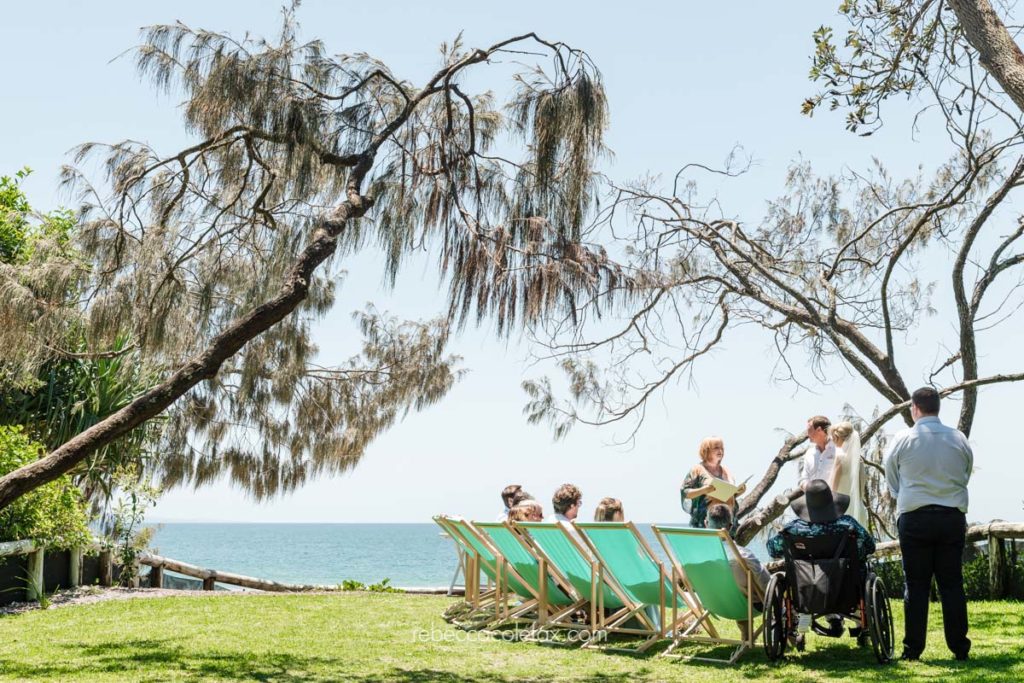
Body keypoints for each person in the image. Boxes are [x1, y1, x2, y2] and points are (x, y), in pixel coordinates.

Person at [884, 386, 973, 662]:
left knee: (916, 584)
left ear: (914, 408)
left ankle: (913, 649)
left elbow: (891, 475)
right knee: (952, 584)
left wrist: (904, 496)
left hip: (915, 517)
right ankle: (959, 647)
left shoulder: (904, 438)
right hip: (951, 516)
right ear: (938, 407)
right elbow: (966, 471)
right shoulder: (958, 438)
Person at [767, 479, 876, 638]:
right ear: (831, 502)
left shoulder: (792, 529)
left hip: (806, 591)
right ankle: (860, 623)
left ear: (807, 506)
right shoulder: (847, 525)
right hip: (848, 589)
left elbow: (772, 548)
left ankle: (805, 622)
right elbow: (870, 546)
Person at [707, 504, 769, 642]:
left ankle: (746, 637)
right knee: (748, 590)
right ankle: (793, 635)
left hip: (714, 604)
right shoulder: (743, 556)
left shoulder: (696, 556)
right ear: (730, 526)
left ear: (706, 523)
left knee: (739, 590)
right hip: (746, 606)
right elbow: (766, 585)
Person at [680, 437, 746, 529]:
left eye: (722, 448)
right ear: (706, 450)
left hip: (728, 525)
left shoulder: (726, 471)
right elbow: (685, 493)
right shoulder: (697, 470)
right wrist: (704, 490)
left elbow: (727, 496)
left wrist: (738, 492)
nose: (720, 450)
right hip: (706, 524)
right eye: (716, 448)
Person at [828, 422, 868, 528]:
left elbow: (833, 489)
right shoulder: (859, 461)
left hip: (842, 511)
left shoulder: (839, 456)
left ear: (836, 437)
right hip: (859, 509)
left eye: (832, 437)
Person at [799, 416, 836, 491]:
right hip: (814, 500)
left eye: (809, 430)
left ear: (819, 430)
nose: (807, 434)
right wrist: (810, 489)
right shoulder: (809, 453)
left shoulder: (839, 449)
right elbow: (803, 480)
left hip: (836, 499)